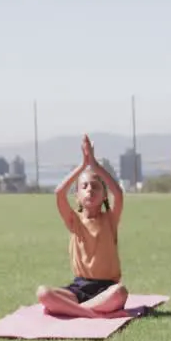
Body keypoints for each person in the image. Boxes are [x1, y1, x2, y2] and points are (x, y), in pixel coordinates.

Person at [35, 135, 129, 318]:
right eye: (84, 186)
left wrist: (93, 164)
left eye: (95, 187)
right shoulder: (74, 221)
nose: (90, 190)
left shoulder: (110, 219)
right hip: (78, 287)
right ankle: (93, 313)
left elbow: (118, 194)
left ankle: (77, 311)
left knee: (120, 293)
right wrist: (82, 166)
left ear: (104, 196)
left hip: (106, 288)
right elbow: (59, 193)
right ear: (77, 195)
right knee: (43, 293)